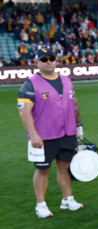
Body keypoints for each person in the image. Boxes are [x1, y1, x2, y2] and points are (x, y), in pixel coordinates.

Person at [17, 48, 85, 219]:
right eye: (44, 59)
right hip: (44, 136)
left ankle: (67, 199)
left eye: (51, 59)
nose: (48, 62)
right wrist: (33, 135)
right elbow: (24, 111)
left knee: (65, 167)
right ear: (37, 62)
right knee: (42, 170)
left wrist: (78, 126)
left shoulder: (66, 80)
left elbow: (74, 104)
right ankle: (40, 204)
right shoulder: (30, 83)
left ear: (56, 61)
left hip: (67, 133)